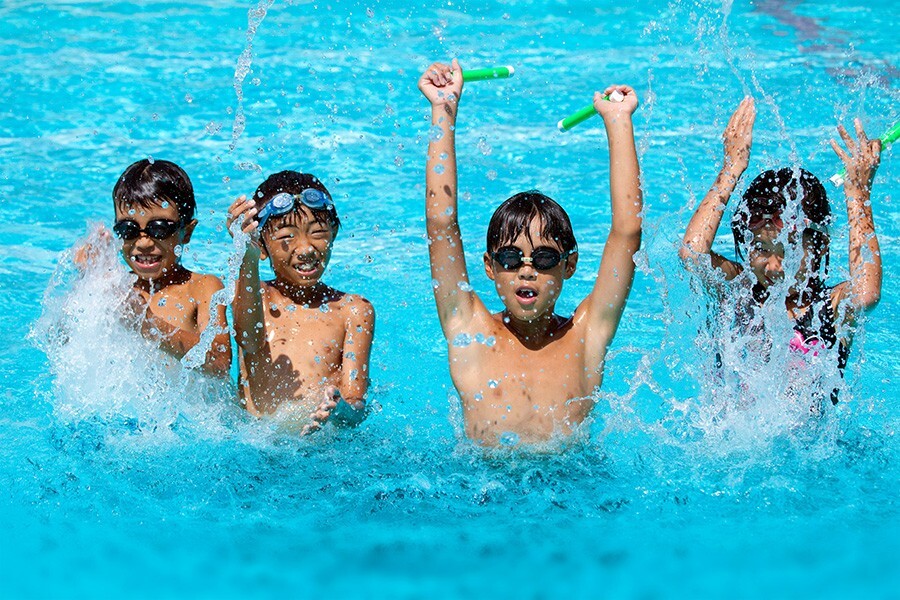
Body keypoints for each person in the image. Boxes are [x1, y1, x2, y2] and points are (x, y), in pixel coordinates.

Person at [418, 59, 643, 446]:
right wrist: (443, 110)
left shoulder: (586, 335)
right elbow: (441, 225)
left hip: (571, 482)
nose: (526, 270)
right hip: (480, 482)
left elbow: (627, 233)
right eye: (509, 258)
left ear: (569, 264)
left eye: (543, 259)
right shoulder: (469, 330)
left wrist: (619, 121)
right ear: (490, 266)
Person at [680, 97, 882, 406]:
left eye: (788, 252)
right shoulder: (737, 289)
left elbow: (866, 294)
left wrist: (857, 194)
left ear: (819, 247)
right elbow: (692, 254)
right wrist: (731, 168)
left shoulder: (830, 308)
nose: (774, 267)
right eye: (761, 249)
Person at [227, 170, 374, 434]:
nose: (306, 249)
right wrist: (246, 255)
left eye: (317, 233)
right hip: (257, 443)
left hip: (324, 446)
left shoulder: (353, 310)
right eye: (287, 237)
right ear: (262, 246)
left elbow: (356, 403)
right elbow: (247, 338)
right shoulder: (255, 296)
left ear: (334, 232)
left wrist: (339, 410)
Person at [76, 158, 231, 376]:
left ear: (186, 232)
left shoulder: (202, 288)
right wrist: (87, 280)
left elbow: (219, 363)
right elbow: (65, 346)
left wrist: (146, 322)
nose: (143, 243)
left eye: (159, 229)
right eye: (128, 229)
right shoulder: (117, 290)